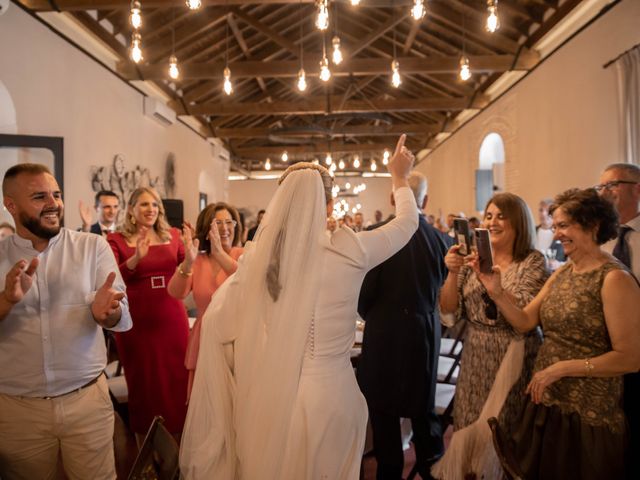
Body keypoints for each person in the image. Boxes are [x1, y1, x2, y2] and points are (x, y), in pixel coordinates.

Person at [180, 135, 418, 479]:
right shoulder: (350, 251)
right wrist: (399, 177)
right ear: (330, 206)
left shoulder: (260, 262)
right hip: (335, 398)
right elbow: (407, 224)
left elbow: (221, 325)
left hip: (278, 399)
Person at [485, 188, 640, 480]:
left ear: (593, 226)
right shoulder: (563, 273)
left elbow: (630, 358)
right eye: (555, 226)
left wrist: (562, 369)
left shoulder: (615, 279)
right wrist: (497, 293)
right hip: (548, 403)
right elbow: (525, 321)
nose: (556, 234)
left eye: (564, 225)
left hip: (587, 413)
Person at [0, 163, 131, 479]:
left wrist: (107, 313)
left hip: (86, 399)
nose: (53, 203)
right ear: (11, 205)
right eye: (39, 196)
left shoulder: (91, 247)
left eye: (56, 194)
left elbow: (122, 315)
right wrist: (6, 301)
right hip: (18, 409)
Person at [432, 192, 548, 479]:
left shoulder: (532, 261)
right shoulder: (474, 259)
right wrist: (452, 273)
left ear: (519, 222)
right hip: (476, 354)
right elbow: (449, 312)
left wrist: (496, 288)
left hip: (514, 355)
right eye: (488, 216)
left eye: (501, 216)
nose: (492, 222)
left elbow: (523, 313)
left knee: (503, 433)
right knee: (469, 424)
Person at [357, 171, 453, 479]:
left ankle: (389, 471)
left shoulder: (374, 235)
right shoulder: (443, 240)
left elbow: (364, 296)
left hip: (384, 334)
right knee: (423, 411)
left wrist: (373, 314)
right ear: (425, 200)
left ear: (392, 198)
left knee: (384, 415)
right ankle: (432, 467)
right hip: (424, 334)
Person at [108, 187, 189, 443]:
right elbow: (111, 278)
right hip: (137, 321)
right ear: (131, 209)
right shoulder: (116, 240)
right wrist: (135, 259)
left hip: (172, 316)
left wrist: (191, 254)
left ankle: (180, 443)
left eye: (155, 204)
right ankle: (145, 446)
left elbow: (188, 266)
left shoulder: (173, 235)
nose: (151, 209)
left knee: (177, 378)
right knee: (144, 382)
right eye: (144, 204)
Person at [168, 202, 243, 401]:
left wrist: (220, 254)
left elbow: (247, 282)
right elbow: (176, 292)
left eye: (229, 222)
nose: (225, 228)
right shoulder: (199, 260)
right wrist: (188, 261)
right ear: (207, 229)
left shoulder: (244, 255)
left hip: (238, 337)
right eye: (218, 223)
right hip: (205, 337)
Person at [596, 163, 640, 479]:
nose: (603, 193)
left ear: (637, 189)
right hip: (604, 351)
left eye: (611, 185)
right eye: (600, 187)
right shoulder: (599, 239)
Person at [535, 198, 565, 268]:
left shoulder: (562, 234)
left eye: (547, 211)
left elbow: (571, 261)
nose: (543, 214)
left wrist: (559, 264)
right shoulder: (531, 232)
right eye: (541, 210)